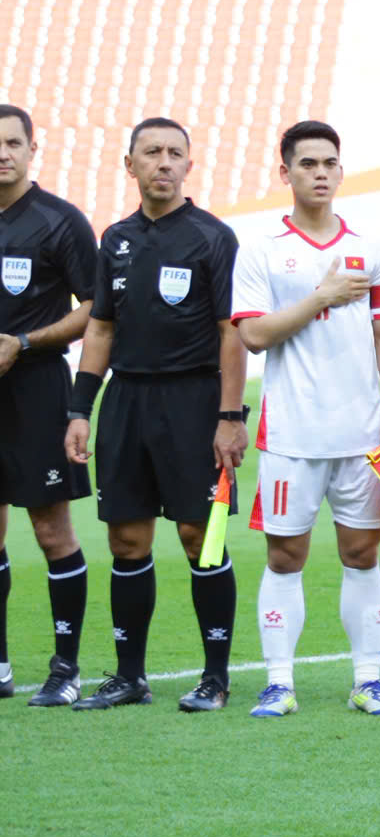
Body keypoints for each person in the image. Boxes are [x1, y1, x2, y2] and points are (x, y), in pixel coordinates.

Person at [63, 118, 245, 711]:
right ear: (130, 164)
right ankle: (129, 677)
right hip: (127, 401)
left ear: (189, 165)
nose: (164, 162)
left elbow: (231, 332)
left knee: (200, 538)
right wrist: (80, 409)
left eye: (174, 153)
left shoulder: (213, 237)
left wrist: (230, 416)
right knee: (126, 539)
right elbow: (100, 328)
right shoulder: (115, 238)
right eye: (151, 153)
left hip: (194, 401)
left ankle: (215, 677)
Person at [232, 121, 380, 718]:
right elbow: (254, 335)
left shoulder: (371, 247)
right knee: (285, 557)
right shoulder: (261, 250)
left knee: (362, 554)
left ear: (341, 170)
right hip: (292, 434)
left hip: (362, 436)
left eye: (330, 163)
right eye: (308, 164)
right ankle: (279, 683)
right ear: (285, 172)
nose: (321, 173)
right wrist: (320, 297)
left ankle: (368, 680)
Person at [0, 104, 99, 707]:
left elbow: (96, 309)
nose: (2, 153)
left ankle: (66, 669)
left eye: (13, 142)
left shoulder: (59, 221)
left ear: (32, 149)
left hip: (38, 389)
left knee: (50, 529)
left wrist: (24, 342)